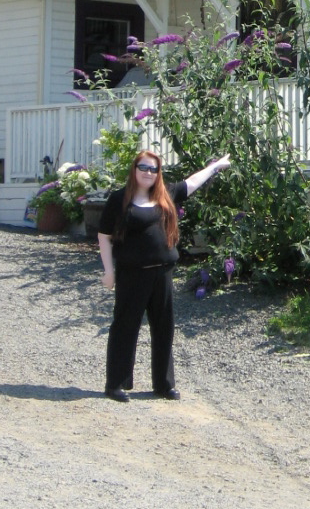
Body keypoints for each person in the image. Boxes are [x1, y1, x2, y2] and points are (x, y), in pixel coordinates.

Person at [97, 149, 231, 403]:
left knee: (164, 329)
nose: (148, 173)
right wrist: (109, 271)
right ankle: (115, 383)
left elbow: (191, 183)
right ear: (134, 170)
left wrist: (215, 166)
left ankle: (163, 384)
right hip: (131, 275)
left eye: (153, 169)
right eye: (143, 168)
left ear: (158, 173)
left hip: (163, 274)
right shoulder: (119, 199)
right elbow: (104, 236)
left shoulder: (165, 194)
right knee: (125, 327)